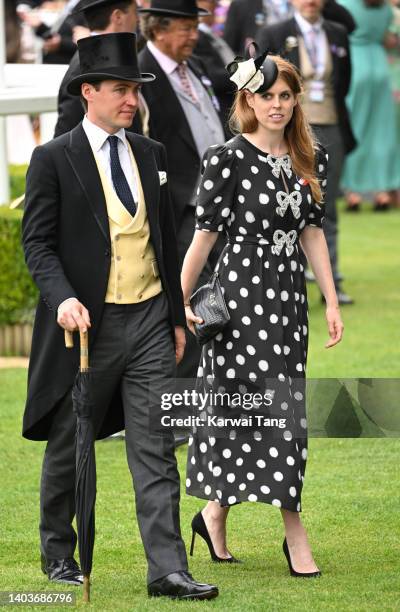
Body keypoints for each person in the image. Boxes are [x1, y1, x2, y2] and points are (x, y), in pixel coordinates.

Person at [22, 31, 218, 600]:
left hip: (152, 323)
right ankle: (59, 555)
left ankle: (167, 570)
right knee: (71, 443)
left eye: (134, 89)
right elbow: (37, 244)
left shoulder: (152, 155)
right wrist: (62, 299)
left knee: (154, 447)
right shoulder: (52, 158)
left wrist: (179, 321)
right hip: (87, 326)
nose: (131, 100)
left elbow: (164, 240)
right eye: (119, 89)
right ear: (89, 92)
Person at [181, 52, 344, 575]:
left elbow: (312, 232)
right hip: (237, 305)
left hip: (287, 302)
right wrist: (177, 303)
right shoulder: (225, 159)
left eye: (285, 96)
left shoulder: (310, 156)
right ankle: (294, 534)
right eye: (266, 95)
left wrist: (332, 300)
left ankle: (212, 514)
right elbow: (203, 239)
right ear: (247, 99)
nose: (276, 105)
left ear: (296, 100)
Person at [138, 0, 226, 382]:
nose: (194, 35)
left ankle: (219, 396)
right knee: (190, 308)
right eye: (186, 27)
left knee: (221, 304)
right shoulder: (141, 73)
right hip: (179, 212)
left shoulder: (198, 66)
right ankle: (186, 411)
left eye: (196, 26)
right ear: (158, 28)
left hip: (218, 208)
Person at [257, 0, 356, 305]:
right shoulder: (275, 32)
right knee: (286, 205)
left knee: (326, 207)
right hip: (289, 129)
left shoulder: (337, 32)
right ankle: (291, 282)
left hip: (330, 125)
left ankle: (333, 283)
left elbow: (344, 81)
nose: (310, 1)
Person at [337, 0, 400, 210]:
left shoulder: (345, 4)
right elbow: (389, 39)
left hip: (356, 64)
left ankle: (353, 192)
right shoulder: (384, 8)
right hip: (380, 68)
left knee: (354, 129)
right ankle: (381, 191)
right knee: (382, 133)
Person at [54, 0, 144, 137]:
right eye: (135, 12)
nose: (138, 19)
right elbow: (66, 143)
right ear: (118, 16)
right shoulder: (83, 67)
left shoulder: (121, 57)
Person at [194, 0, 236, 129]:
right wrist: (244, 73)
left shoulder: (210, 35)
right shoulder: (197, 37)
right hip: (221, 111)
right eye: (211, 3)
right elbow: (212, 75)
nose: (215, 8)